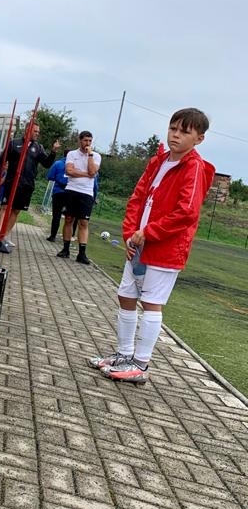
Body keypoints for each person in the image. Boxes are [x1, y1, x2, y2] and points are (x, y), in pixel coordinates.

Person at [88, 108, 214, 384]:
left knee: (151, 303)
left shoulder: (194, 167)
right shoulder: (158, 161)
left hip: (165, 249)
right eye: (173, 128)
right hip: (138, 245)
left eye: (184, 132)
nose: (176, 135)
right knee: (125, 296)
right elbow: (137, 198)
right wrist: (130, 234)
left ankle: (141, 365)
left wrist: (149, 232)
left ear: (199, 139)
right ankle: (124, 354)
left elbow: (187, 212)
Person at [0, 122, 60, 246]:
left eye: (38, 132)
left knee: (16, 210)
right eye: (35, 131)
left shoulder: (38, 148)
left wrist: (53, 152)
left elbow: (46, 164)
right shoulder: (13, 143)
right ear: (27, 130)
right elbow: (2, 160)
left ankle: (4, 235)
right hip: (12, 181)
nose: (37, 134)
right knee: (5, 206)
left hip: (27, 185)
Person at [56, 131, 101, 264]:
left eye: (90, 141)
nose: (87, 143)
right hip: (71, 190)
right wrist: (86, 175)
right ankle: (65, 249)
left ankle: (82, 254)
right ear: (80, 140)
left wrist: (90, 155)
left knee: (84, 222)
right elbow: (69, 171)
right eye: (85, 140)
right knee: (69, 219)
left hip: (86, 193)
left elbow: (92, 171)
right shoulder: (72, 154)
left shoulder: (96, 156)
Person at [45, 155, 68, 241]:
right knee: (70, 217)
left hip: (58, 192)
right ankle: (68, 238)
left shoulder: (58, 163)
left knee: (56, 215)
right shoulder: (76, 165)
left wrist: (58, 179)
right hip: (70, 193)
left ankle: (53, 236)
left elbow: (50, 177)